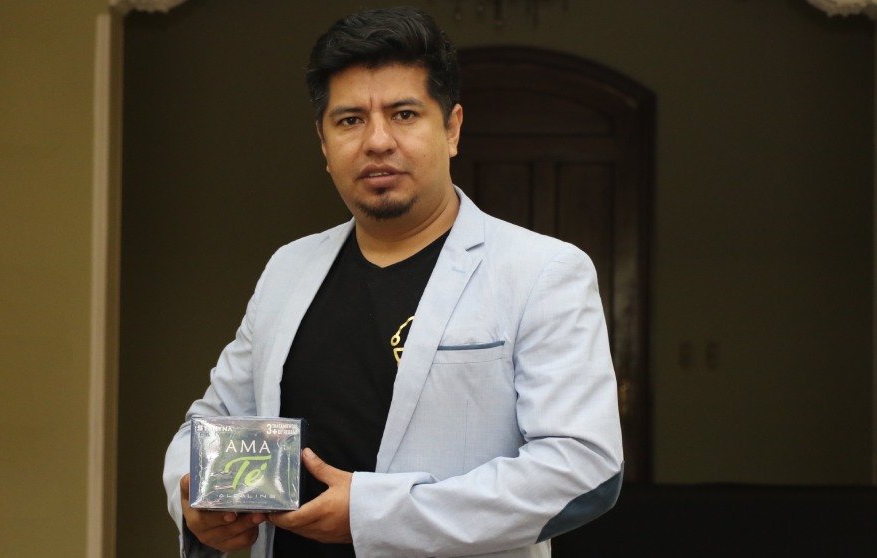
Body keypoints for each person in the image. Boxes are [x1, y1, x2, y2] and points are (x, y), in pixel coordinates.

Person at [163, 6, 623, 558]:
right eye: (350, 120)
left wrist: (373, 514)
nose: (377, 141)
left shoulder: (540, 271)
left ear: (451, 128)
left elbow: (583, 469)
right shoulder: (289, 268)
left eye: (404, 114)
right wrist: (195, 502)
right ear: (323, 143)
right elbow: (214, 421)